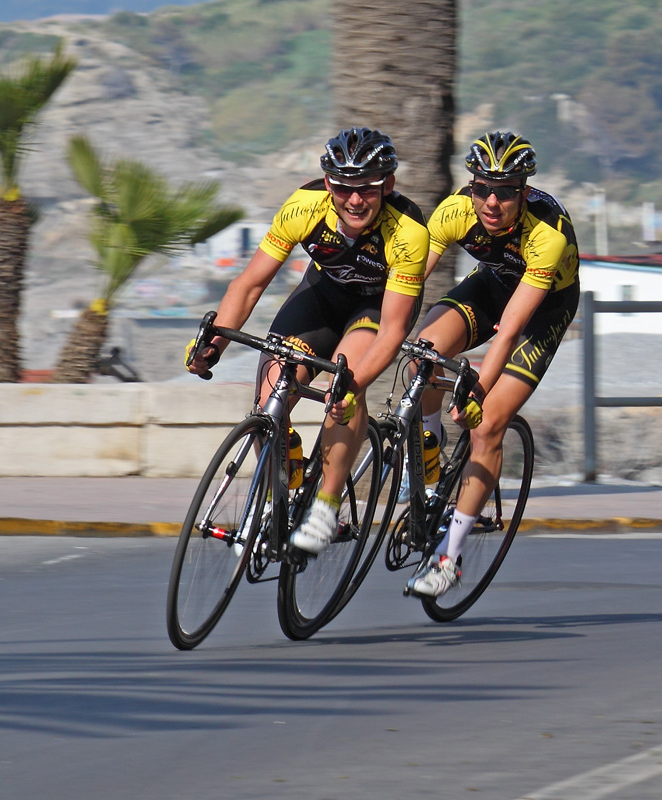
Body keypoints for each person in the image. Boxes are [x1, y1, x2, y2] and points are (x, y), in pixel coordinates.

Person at [186, 127, 428, 553]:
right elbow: (249, 285)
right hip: (322, 297)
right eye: (343, 187)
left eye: (368, 190)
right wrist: (213, 347)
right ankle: (275, 498)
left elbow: (392, 330)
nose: (355, 200)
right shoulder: (304, 206)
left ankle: (325, 506)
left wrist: (352, 387)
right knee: (270, 395)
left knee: (343, 381)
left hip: (375, 308)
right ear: (328, 183)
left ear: (387, 185)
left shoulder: (407, 230)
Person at [403, 131, 580, 597]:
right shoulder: (455, 210)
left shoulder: (548, 233)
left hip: (542, 310)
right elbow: (406, 282)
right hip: (492, 284)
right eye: (482, 188)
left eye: (505, 192)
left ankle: (447, 558)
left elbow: (510, 329)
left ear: (524, 192)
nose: (492, 202)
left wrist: (478, 391)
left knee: (486, 427)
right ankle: (430, 458)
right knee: (425, 350)